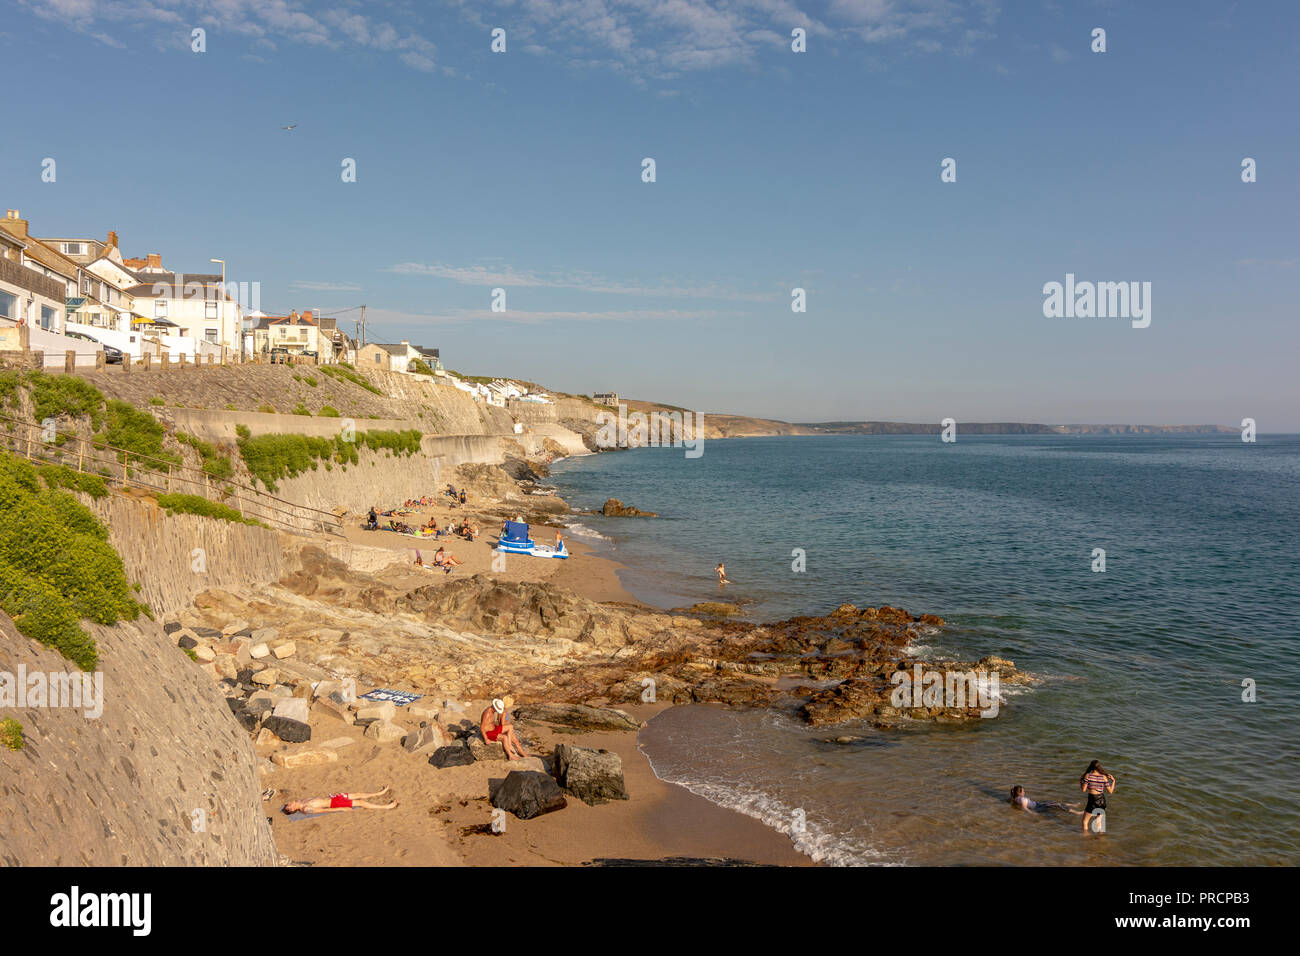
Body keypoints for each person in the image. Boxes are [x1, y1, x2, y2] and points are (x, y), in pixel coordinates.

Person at [282, 786, 397, 813]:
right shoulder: (306, 809)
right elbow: (324, 810)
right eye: (289, 805)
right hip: (335, 803)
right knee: (360, 802)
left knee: (358, 794)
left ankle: (379, 793)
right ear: (292, 810)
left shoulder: (301, 801)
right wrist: (342, 808)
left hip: (332, 797)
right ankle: (386, 807)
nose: (290, 803)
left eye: (288, 803)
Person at [1080, 760, 1116, 833]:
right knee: (1099, 823)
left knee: (1085, 822)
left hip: (1092, 800)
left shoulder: (1088, 775)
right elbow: (1110, 791)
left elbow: (1083, 790)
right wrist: (1113, 781)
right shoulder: (1103, 777)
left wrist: (1081, 781)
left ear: (1091, 767)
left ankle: (1086, 838)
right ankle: (1101, 839)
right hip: (1102, 800)